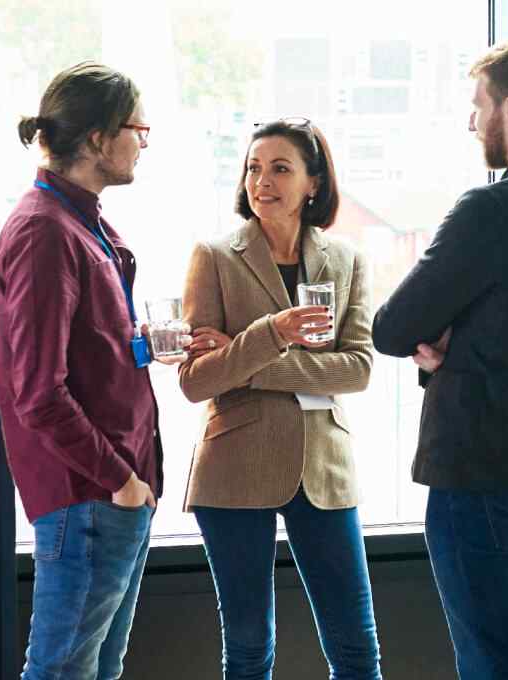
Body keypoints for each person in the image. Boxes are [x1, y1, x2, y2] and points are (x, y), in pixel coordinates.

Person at [368, 34, 508, 680]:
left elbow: (392, 326)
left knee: (495, 662)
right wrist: (457, 341)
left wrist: (441, 341)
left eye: (480, 105)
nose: (473, 120)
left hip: (481, 468)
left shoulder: (496, 206)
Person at [0, 62, 216, 680]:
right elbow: (38, 392)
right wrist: (118, 478)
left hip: (112, 492)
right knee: (64, 670)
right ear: (97, 138)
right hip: (91, 494)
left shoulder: (79, 221)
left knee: (93, 669)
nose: (143, 141)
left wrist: (140, 343)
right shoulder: (44, 232)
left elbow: (78, 351)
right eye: (136, 128)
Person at [177, 118, 382, 680]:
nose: (261, 181)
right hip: (235, 466)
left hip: (325, 466)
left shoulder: (345, 260)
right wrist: (272, 333)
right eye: (253, 167)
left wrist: (249, 359)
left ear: (313, 183)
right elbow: (196, 380)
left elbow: (359, 368)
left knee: (357, 648)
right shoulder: (215, 256)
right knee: (248, 648)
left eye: (281, 168)